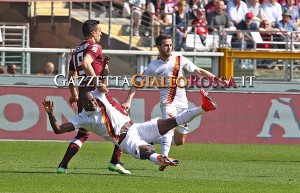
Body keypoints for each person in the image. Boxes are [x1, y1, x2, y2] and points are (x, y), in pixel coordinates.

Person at [42, 88, 217, 172]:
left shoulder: (99, 97)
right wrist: (50, 114)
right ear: (83, 105)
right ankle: (160, 159)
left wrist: (106, 66)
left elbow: (103, 80)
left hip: (136, 128)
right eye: (90, 102)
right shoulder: (81, 119)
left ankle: (204, 107)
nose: (94, 102)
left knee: (170, 122)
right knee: (146, 151)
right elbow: (58, 129)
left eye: (94, 100)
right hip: (124, 140)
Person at [122, 34, 223, 171]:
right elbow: (137, 82)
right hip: (168, 102)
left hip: (183, 104)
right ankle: (163, 158)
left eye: (170, 44)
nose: (169, 47)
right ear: (158, 47)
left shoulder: (179, 58)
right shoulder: (153, 66)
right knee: (169, 126)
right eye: (165, 45)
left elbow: (198, 70)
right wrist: (128, 100)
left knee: (179, 141)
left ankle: (148, 137)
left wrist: (217, 79)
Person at [58, 19, 130, 175]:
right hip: (96, 96)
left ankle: (62, 166)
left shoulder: (77, 50)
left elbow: (71, 76)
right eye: (99, 31)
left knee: (83, 133)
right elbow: (85, 64)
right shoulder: (95, 46)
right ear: (92, 33)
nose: (101, 33)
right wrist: (98, 83)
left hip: (83, 95)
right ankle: (115, 162)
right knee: (127, 123)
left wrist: (73, 94)